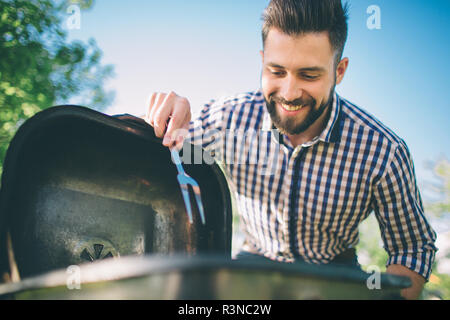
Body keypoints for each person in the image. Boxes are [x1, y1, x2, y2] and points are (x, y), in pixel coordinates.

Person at [144, 0, 437, 300]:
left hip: (335, 274)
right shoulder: (228, 120)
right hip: (253, 266)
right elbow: (164, 155)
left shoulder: (383, 152)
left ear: (340, 70)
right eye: (277, 71)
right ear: (262, 61)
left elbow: (411, 248)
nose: (289, 93)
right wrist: (167, 119)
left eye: (309, 75)